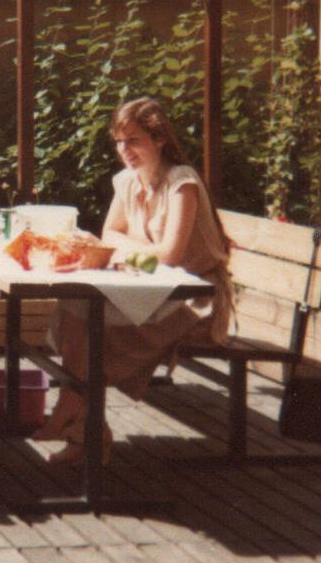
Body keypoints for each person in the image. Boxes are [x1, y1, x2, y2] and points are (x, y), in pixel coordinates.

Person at [33, 97, 233, 464]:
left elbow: (170, 255)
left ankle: (77, 420)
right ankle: (80, 423)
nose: (125, 150)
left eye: (134, 140)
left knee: (97, 331)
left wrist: (127, 248)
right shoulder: (127, 181)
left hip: (195, 299)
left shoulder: (181, 184)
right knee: (76, 311)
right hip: (149, 287)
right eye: (119, 142)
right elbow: (109, 233)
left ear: (158, 139)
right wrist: (138, 248)